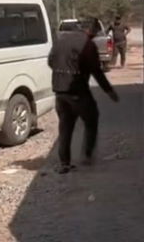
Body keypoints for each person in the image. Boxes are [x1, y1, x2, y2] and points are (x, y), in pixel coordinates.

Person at [47, 18, 118, 173]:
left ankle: (64, 162)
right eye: (95, 32)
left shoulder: (61, 40)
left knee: (65, 126)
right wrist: (109, 91)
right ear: (91, 30)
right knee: (92, 119)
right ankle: (87, 154)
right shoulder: (87, 44)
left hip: (59, 90)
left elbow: (50, 61)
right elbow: (96, 71)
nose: (94, 35)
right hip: (77, 91)